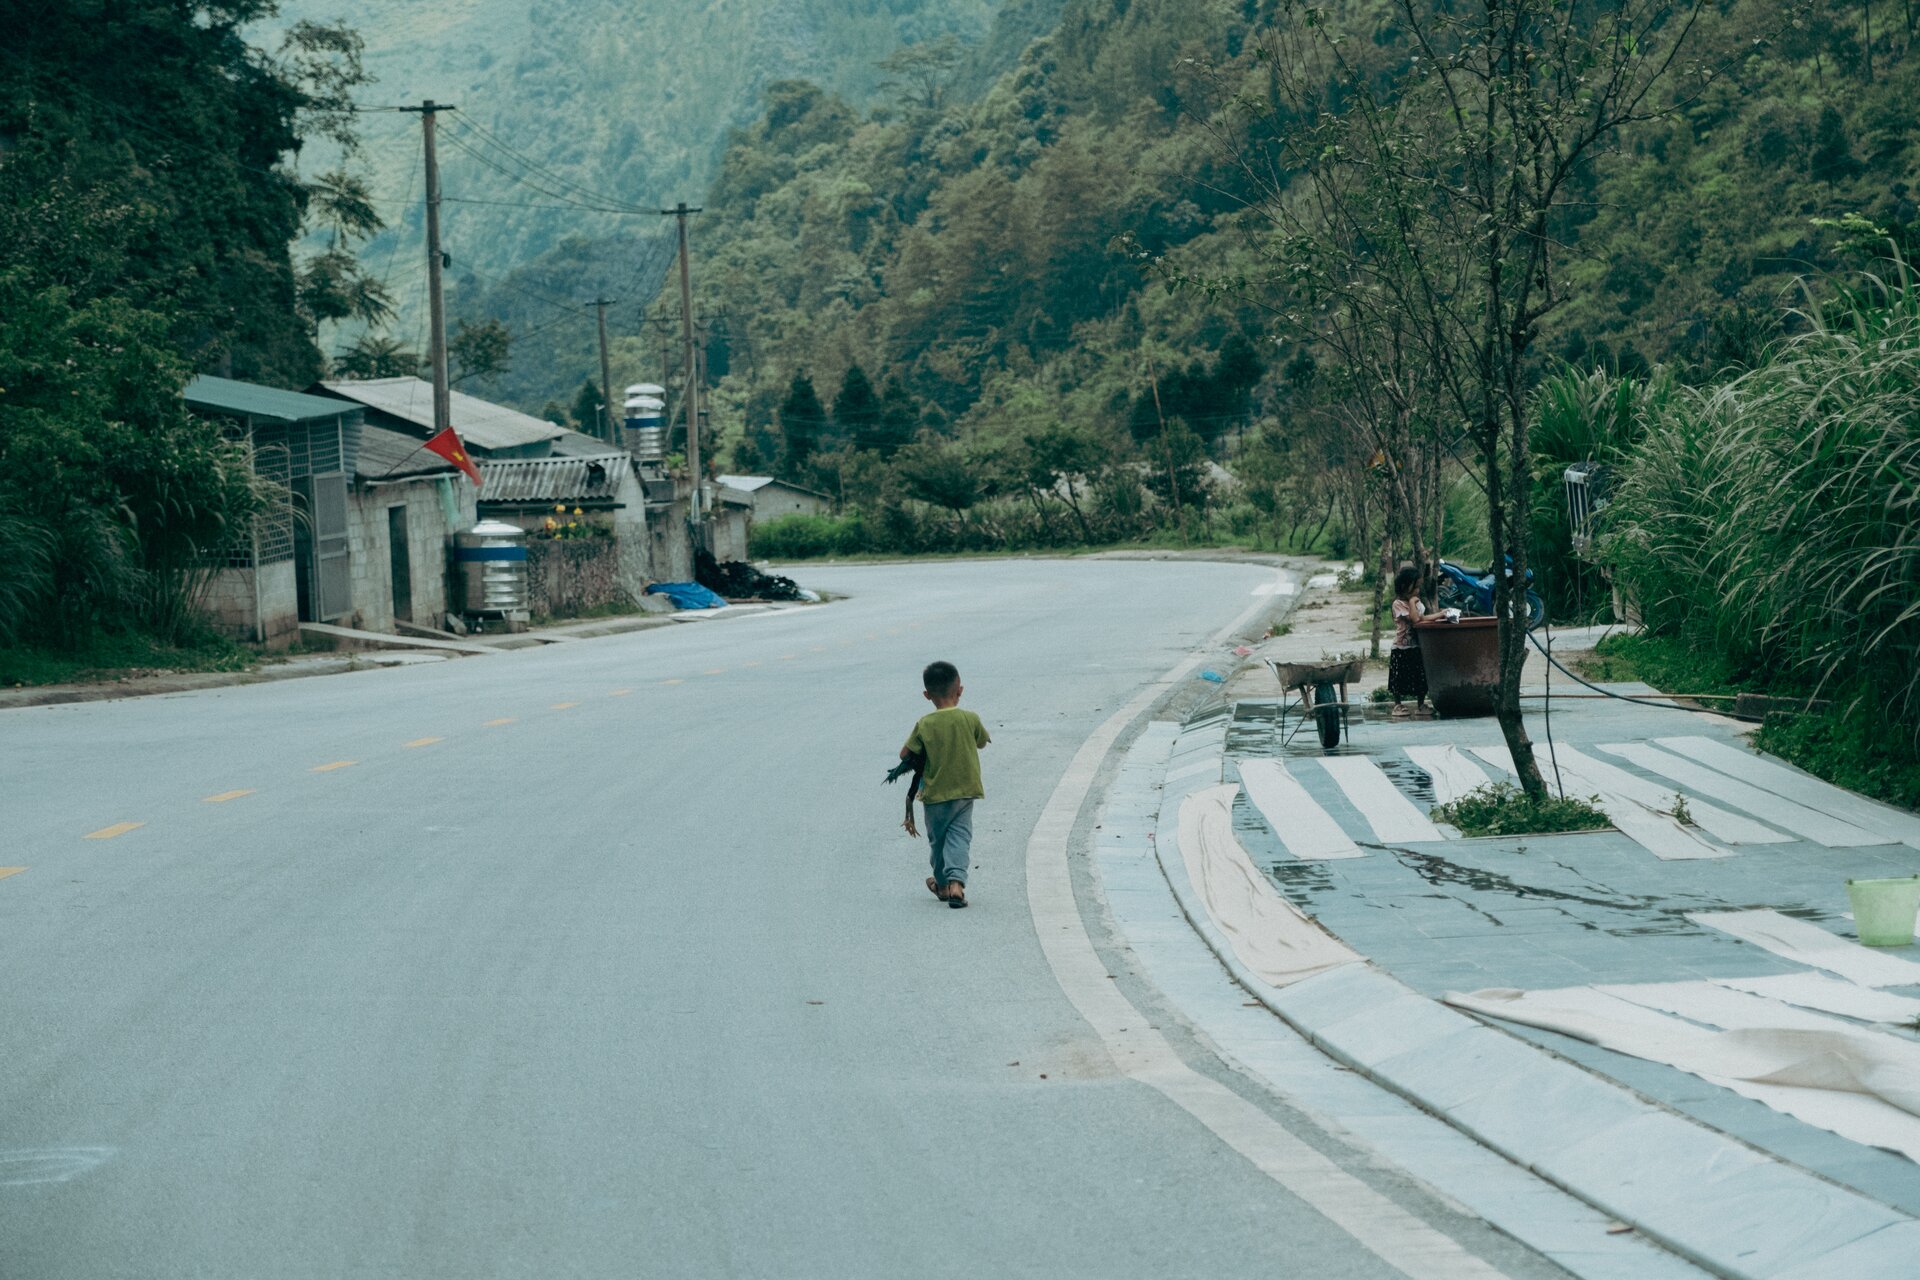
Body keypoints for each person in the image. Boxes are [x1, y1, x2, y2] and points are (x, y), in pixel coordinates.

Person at [900, 660, 990, 908]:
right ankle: (957, 884)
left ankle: (941, 883)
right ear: (960, 689)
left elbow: (904, 755)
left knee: (938, 841)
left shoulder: (925, 724)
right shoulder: (970, 718)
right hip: (965, 791)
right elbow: (982, 742)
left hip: (935, 795)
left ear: (927, 695)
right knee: (960, 837)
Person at [1389, 563, 1431, 719]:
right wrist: (1412, 603)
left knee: (1419, 675)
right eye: (1415, 587)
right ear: (1405, 586)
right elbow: (1414, 620)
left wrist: (1442, 614)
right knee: (1399, 678)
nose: (1417, 591)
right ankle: (1398, 704)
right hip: (1401, 647)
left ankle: (1421, 703)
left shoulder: (1417, 603)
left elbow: (1423, 618)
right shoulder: (1398, 604)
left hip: (1416, 646)